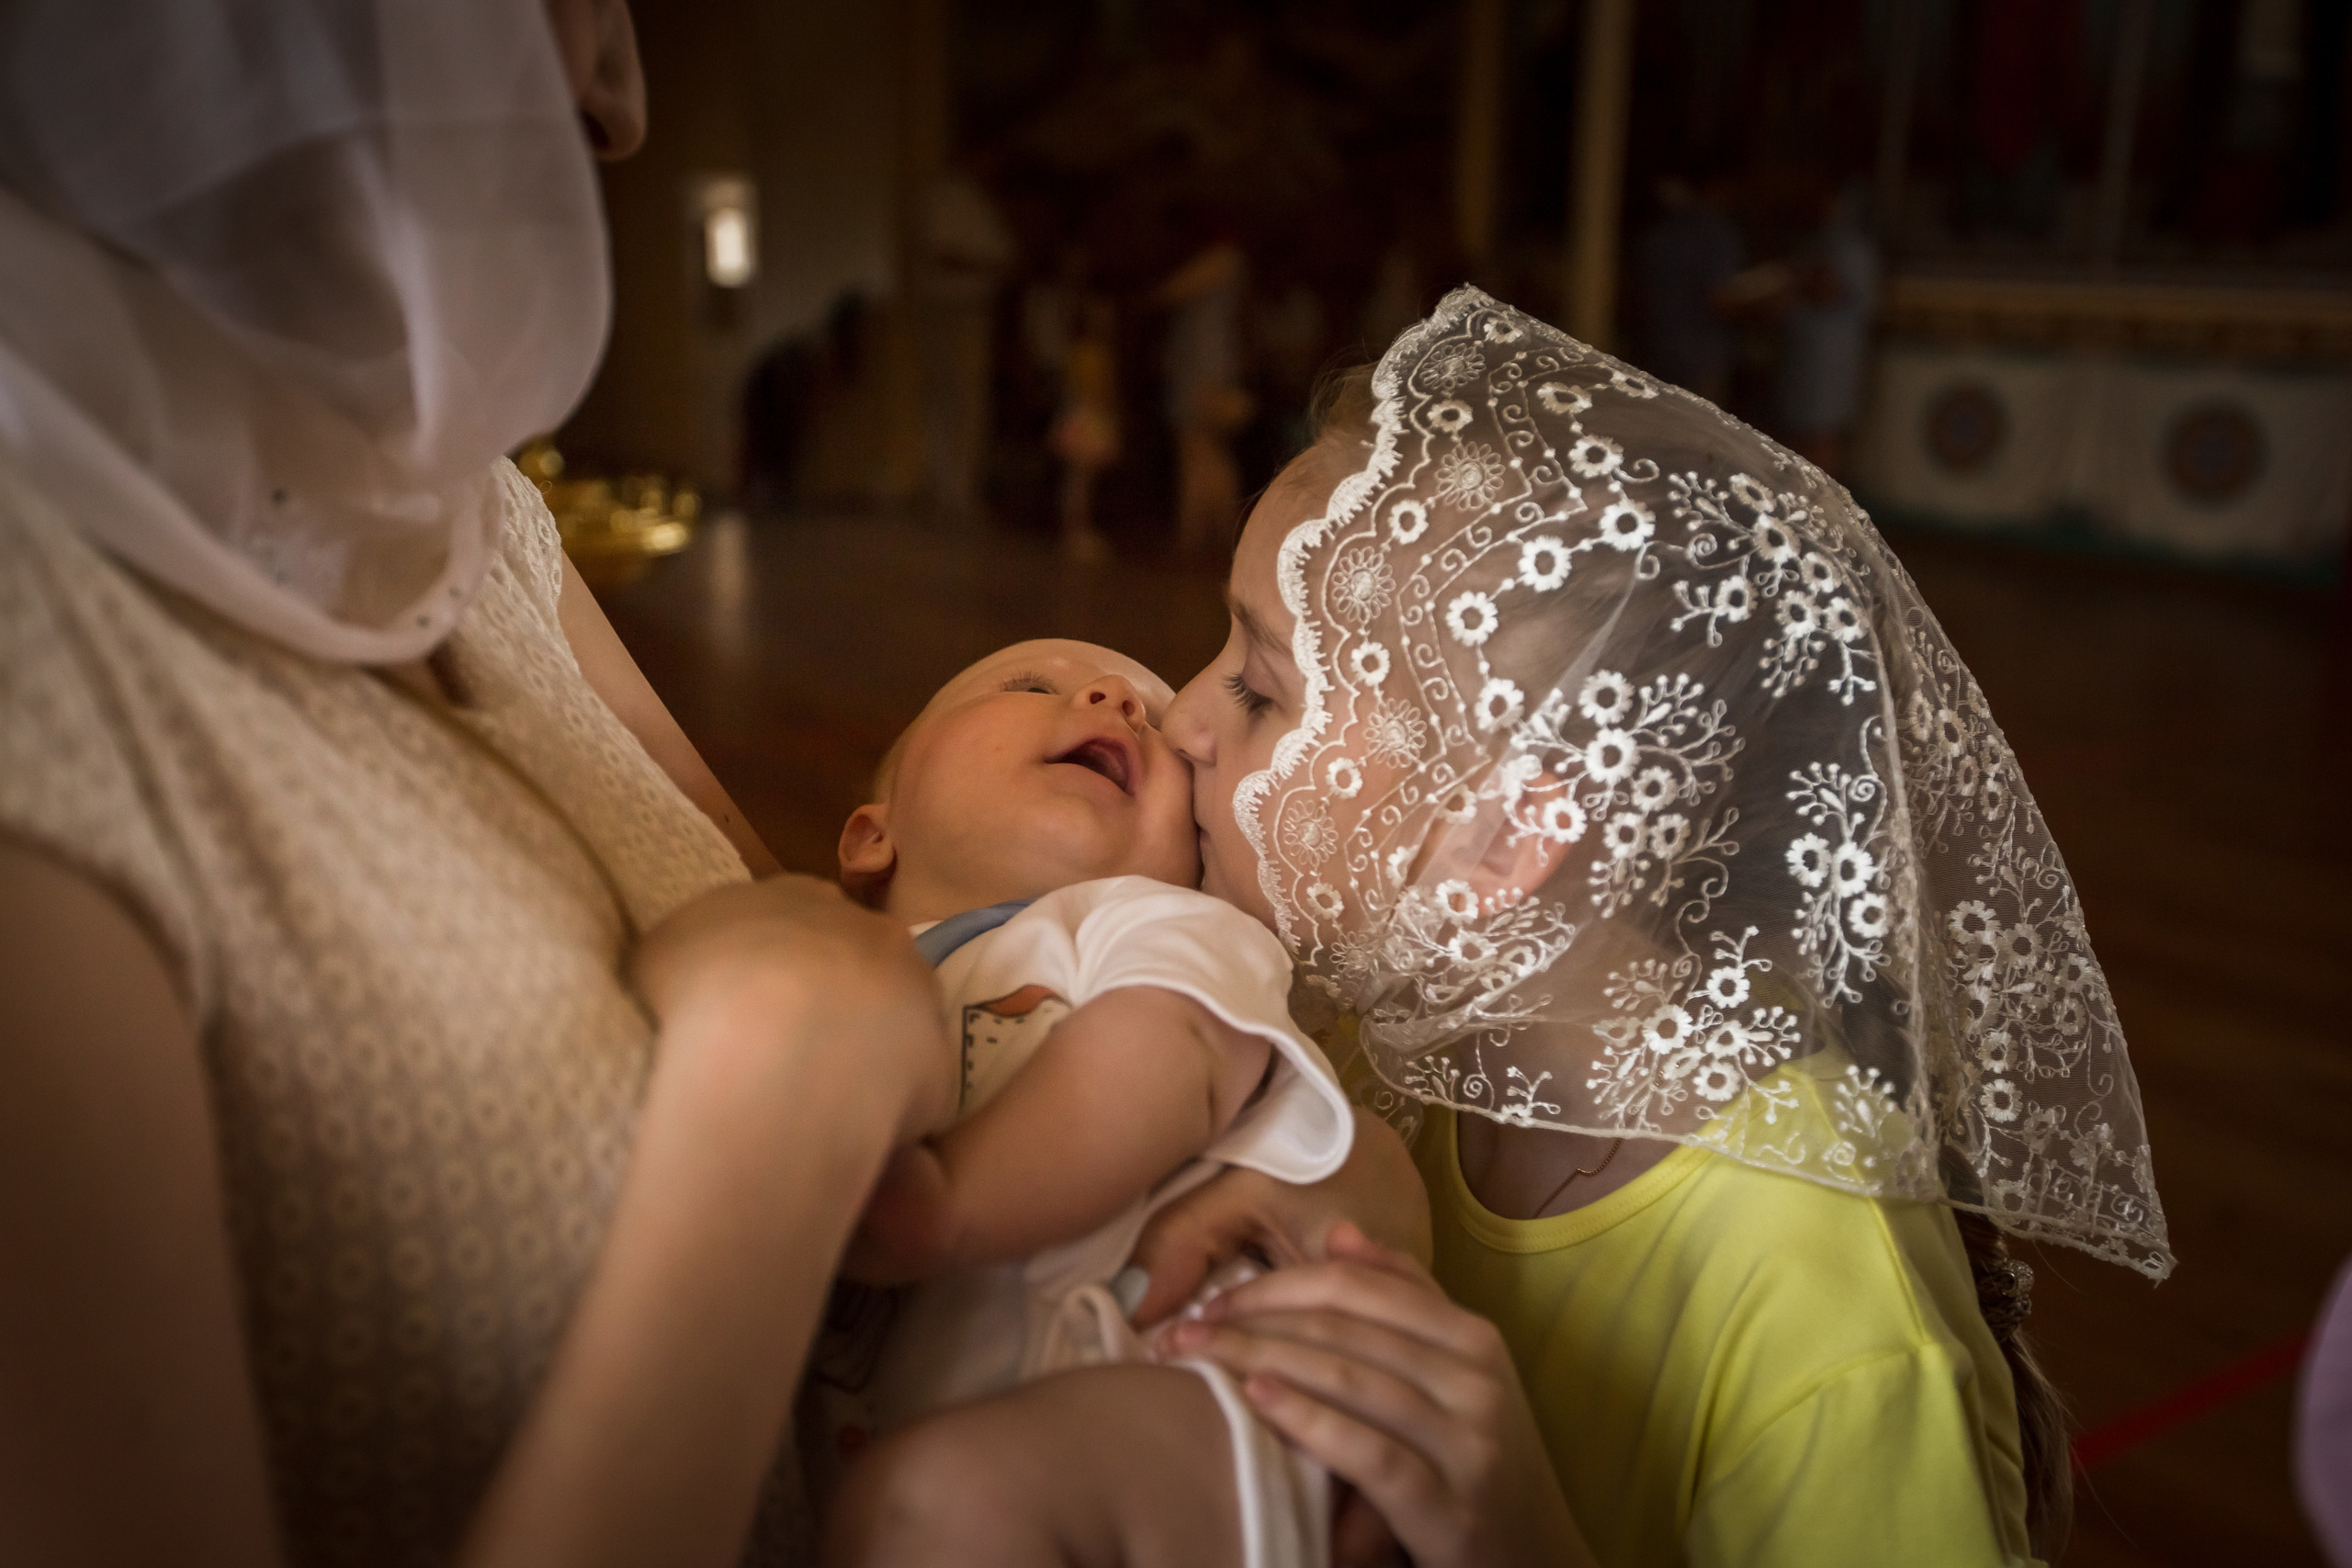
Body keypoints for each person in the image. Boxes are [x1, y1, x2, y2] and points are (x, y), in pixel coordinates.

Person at [0, 4, 960, 1565]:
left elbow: (790, 917)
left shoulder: (469, 513)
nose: (622, 102)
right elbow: (813, 1010)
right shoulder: (33, 676)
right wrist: (772, 1117)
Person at [1129, 287, 2174, 1567]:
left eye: (1258, 685)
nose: (1180, 716)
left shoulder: (1828, 1319)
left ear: (1507, 842)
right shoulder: (1374, 1055)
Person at [811, 637, 1361, 1566]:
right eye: (1029, 686)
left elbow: (1170, 1048)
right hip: (896, 1433)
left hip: (1174, 1406)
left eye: (1149, 723)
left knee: (947, 1502)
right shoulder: (835, 969)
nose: (1115, 700)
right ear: (874, 834)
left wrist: (949, 1205)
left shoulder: (1154, 925)